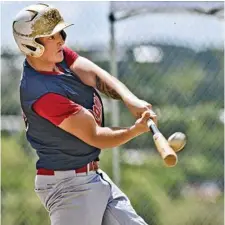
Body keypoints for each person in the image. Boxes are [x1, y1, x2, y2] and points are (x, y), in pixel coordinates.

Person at [13, 3, 157, 225]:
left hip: (91, 176)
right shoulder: (41, 92)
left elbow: (95, 74)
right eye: (52, 36)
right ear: (32, 45)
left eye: (60, 32)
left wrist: (130, 100)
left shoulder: (58, 60)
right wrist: (135, 129)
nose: (62, 38)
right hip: (69, 187)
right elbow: (95, 135)